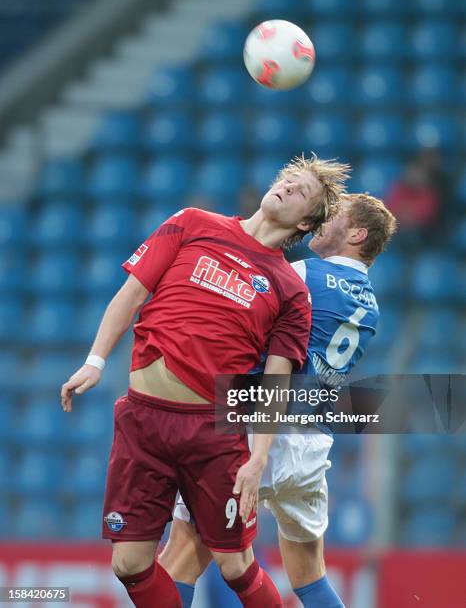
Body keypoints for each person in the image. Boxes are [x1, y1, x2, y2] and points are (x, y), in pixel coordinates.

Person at [60, 154, 350, 608]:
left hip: (212, 431)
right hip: (143, 419)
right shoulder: (192, 222)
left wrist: (258, 458)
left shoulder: (291, 289)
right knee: (129, 564)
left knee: (236, 566)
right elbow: (132, 293)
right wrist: (95, 360)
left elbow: (276, 382)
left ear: (306, 222)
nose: (288, 187)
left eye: (302, 191)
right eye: (287, 179)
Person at [158, 192, 397, 608]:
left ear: (356, 233)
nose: (322, 220)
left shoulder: (304, 274)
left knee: (179, 557)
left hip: (257, 428)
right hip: (312, 444)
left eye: (335, 215)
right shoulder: (369, 302)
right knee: (310, 577)